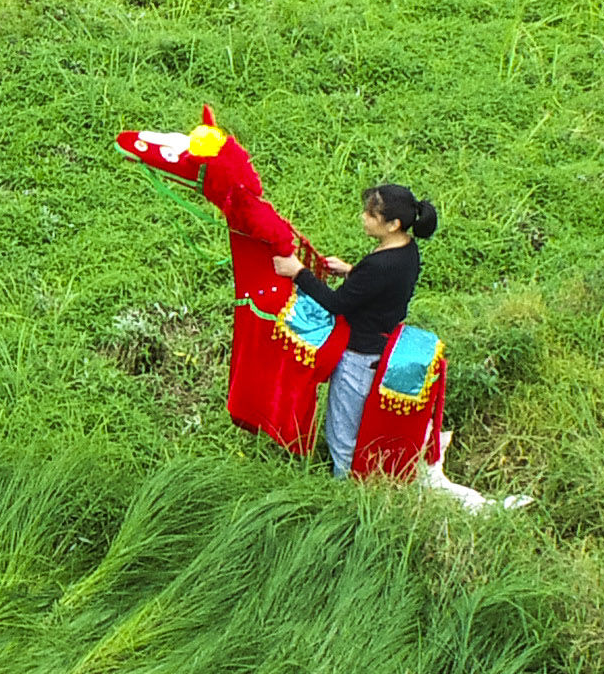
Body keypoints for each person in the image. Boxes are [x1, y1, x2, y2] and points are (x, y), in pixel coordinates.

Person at [115, 114, 322, 456]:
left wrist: (292, 262)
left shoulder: (245, 208)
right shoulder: (242, 200)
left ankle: (290, 436)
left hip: (270, 298)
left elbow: (281, 239)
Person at [294, 183, 434, 476]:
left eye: (371, 214)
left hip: (359, 356)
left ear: (393, 224)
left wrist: (298, 272)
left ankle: (344, 493)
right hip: (379, 344)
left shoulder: (381, 265)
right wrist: (351, 271)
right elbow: (380, 285)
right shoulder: (406, 250)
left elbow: (337, 303)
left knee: (342, 437)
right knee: (356, 424)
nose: (363, 217)